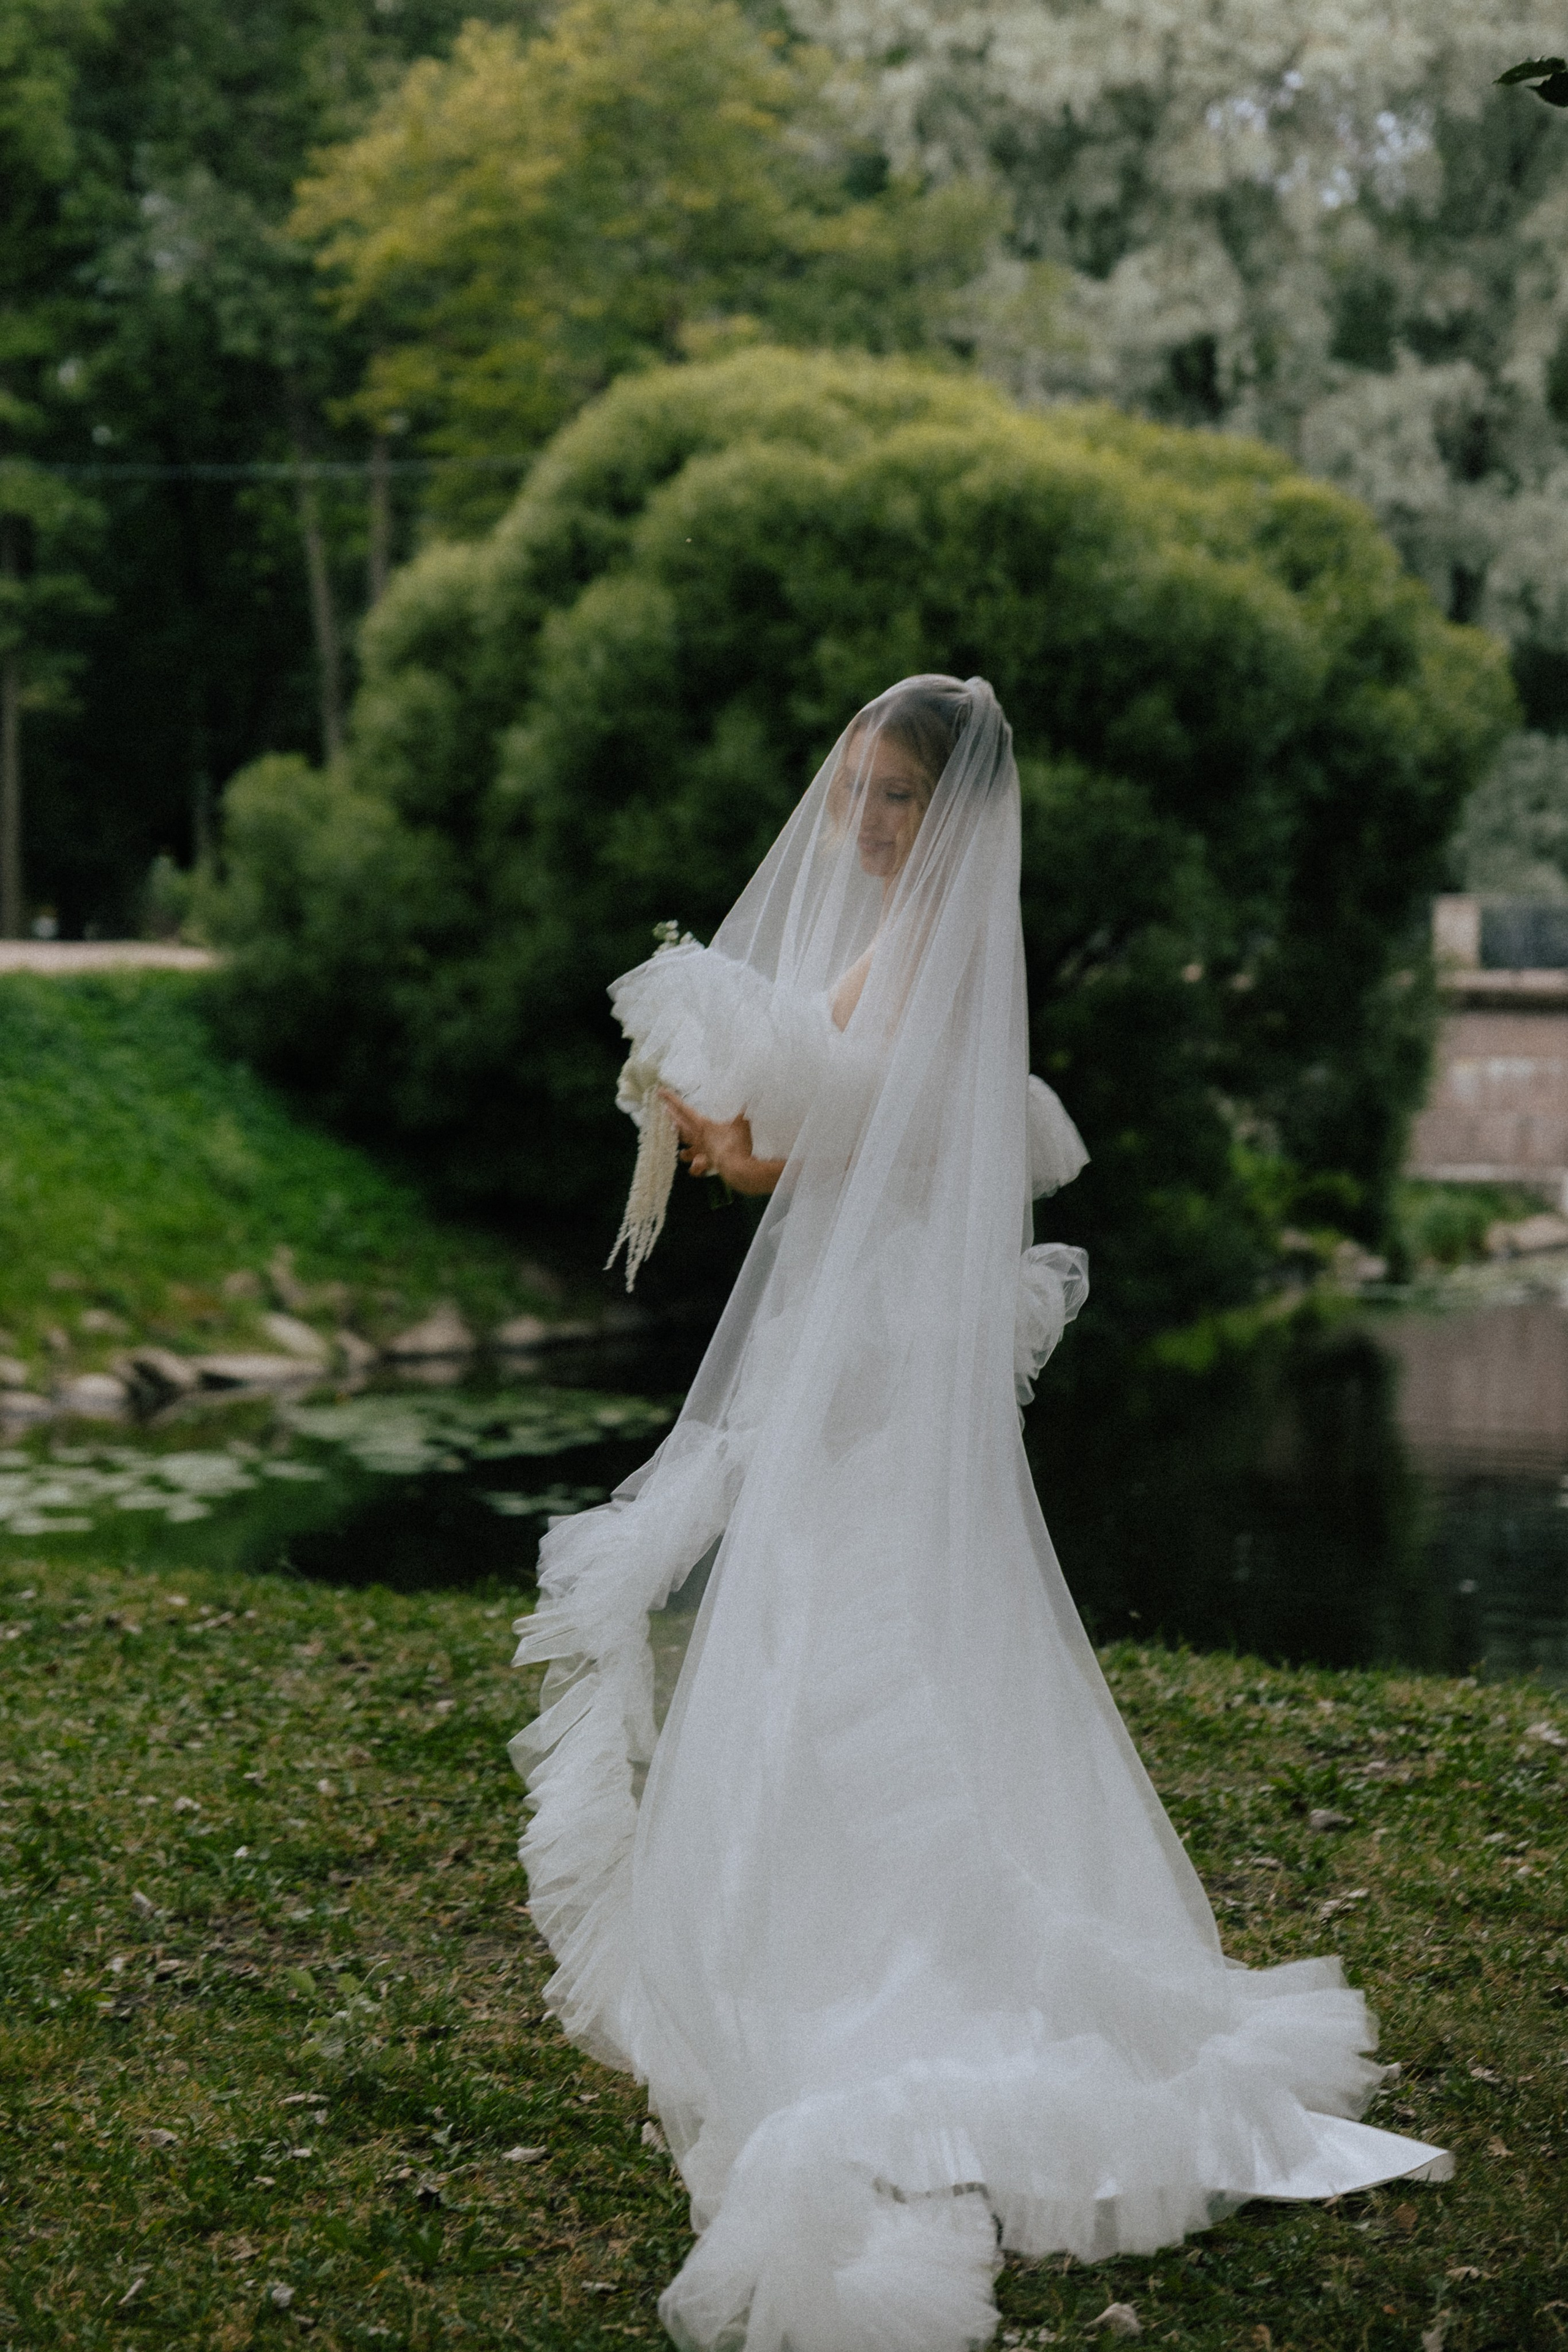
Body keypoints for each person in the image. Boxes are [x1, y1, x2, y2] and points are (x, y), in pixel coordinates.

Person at [510, 677, 1449, 2352]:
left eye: (900, 800)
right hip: (860, 1337)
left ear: (952, 810)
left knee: (857, 1639)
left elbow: (821, 1151)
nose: (870, 826)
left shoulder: (936, 953)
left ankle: (880, 1986)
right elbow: (829, 1139)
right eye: (862, 794)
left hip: (871, 1354)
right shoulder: (922, 942)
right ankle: (817, 1949)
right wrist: (714, 1117)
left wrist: (709, 1122)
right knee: (837, 1639)